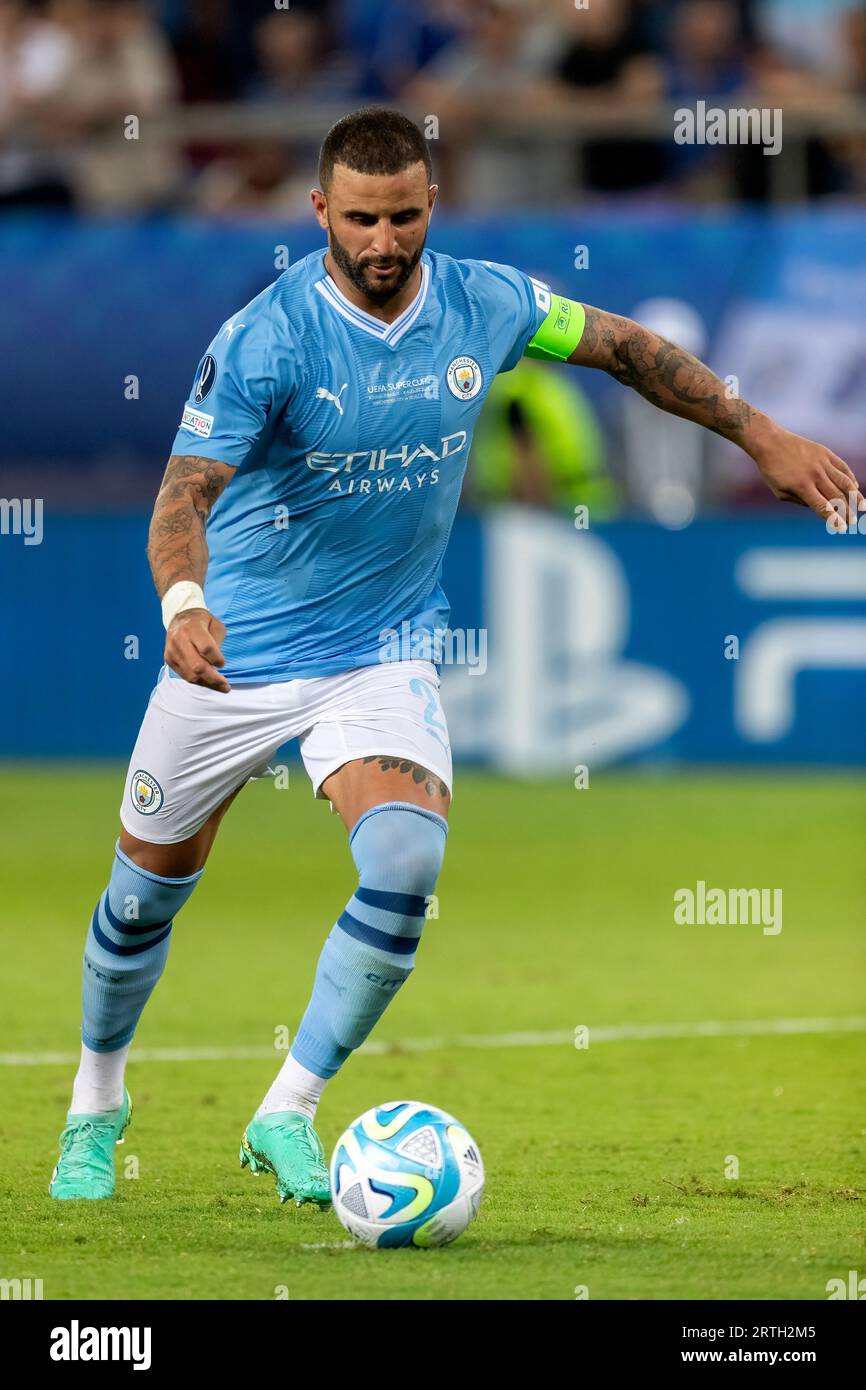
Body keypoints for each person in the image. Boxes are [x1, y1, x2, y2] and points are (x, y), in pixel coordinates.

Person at [49, 106, 864, 1207]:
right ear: (317, 214)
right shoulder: (266, 338)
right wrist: (185, 602)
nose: (381, 242)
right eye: (357, 220)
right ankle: (97, 1102)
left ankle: (285, 1110)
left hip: (378, 651)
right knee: (140, 900)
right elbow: (182, 496)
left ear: (430, 202)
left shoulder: (487, 301)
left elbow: (627, 348)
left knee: (403, 869)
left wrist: (757, 431)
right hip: (232, 654)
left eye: (399, 216)